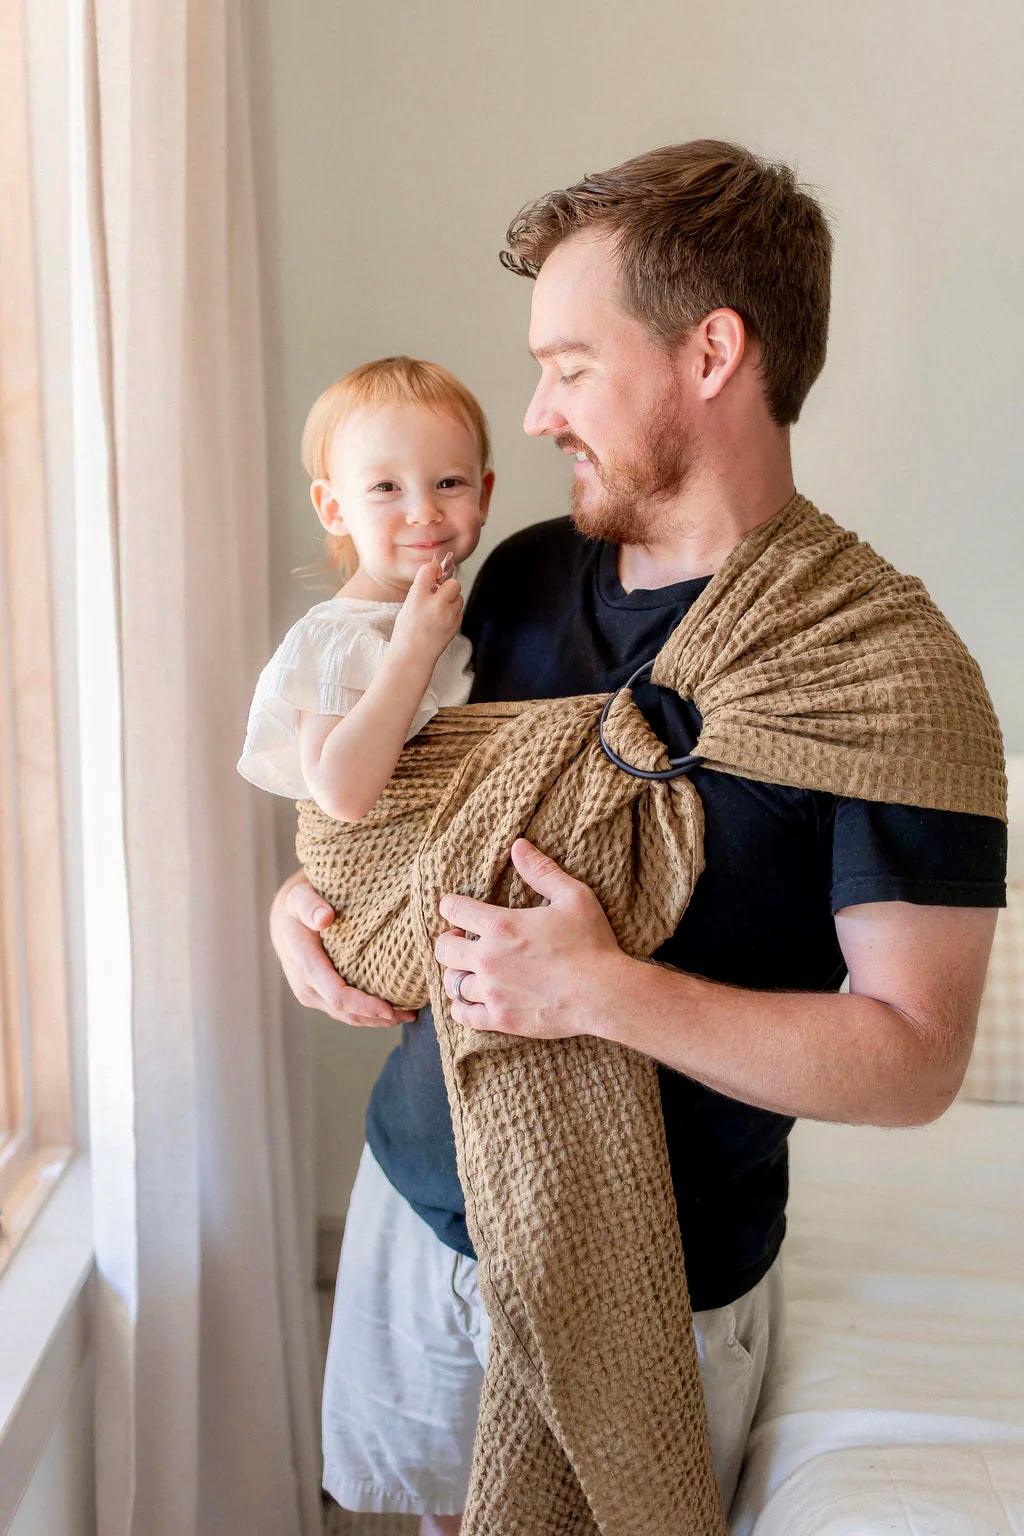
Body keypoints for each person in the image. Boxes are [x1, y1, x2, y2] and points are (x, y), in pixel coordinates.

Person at [270, 142, 1007, 1535]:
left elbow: (914, 1061)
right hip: (420, 1205)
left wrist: (600, 993)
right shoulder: (522, 578)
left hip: (658, 1276)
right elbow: (396, 814)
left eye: (571, 363)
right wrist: (298, 905)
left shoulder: (888, 674)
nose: (538, 414)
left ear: (711, 351)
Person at [237, 355, 493, 821]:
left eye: (448, 482)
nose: (424, 511)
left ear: (484, 496)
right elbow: (341, 796)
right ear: (334, 509)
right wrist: (411, 651)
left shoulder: (468, 611)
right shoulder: (337, 637)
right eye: (385, 487)